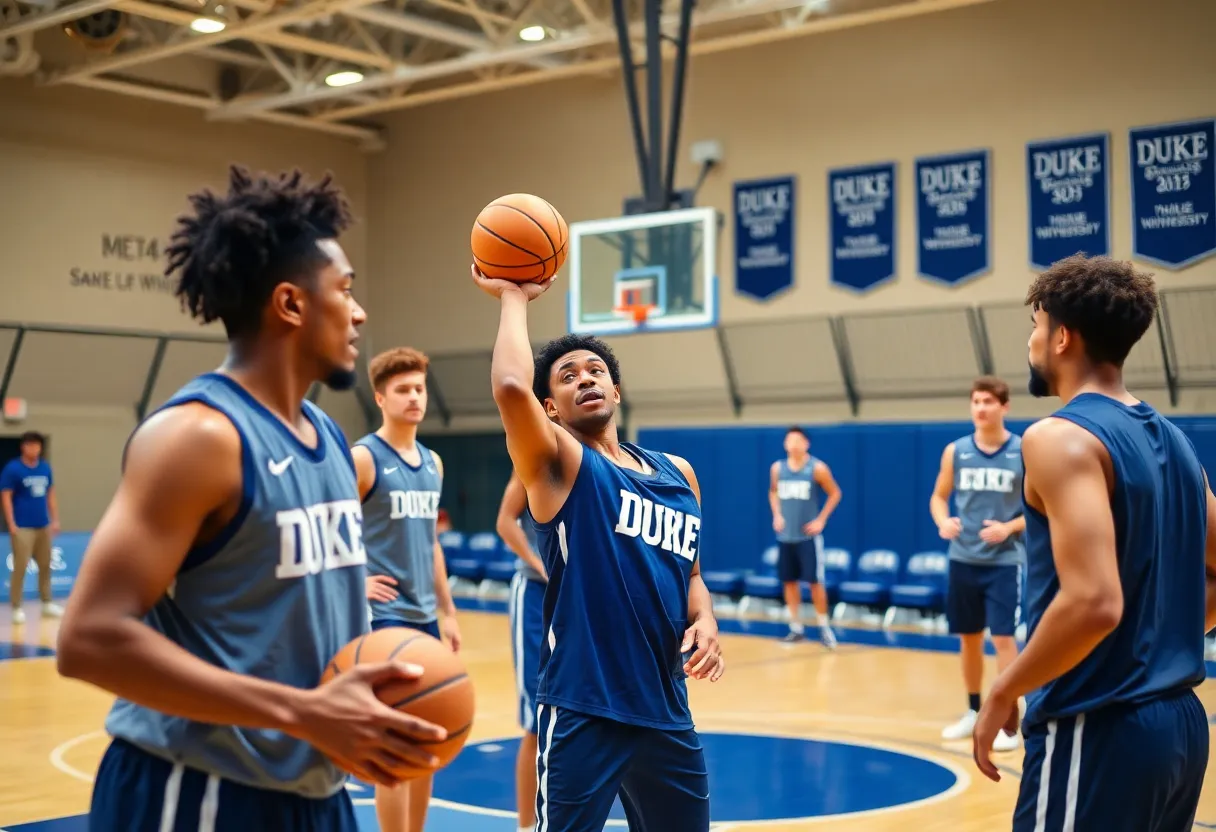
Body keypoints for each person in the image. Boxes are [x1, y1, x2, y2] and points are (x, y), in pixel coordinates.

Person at [54, 166, 447, 832]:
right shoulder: (197, 438)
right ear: (291, 305)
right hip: (198, 788)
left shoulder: (325, 436)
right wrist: (301, 710)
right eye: (345, 292)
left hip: (314, 784)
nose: (359, 312)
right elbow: (88, 639)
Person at [473, 265, 724, 832]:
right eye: (566, 376)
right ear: (551, 409)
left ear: (616, 389)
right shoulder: (559, 465)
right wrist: (513, 296)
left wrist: (706, 618)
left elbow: (691, 575)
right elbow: (512, 389)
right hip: (585, 707)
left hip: (666, 709)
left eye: (596, 370)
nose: (584, 378)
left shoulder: (678, 474)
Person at [971, 254, 1214, 831]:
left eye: (1035, 325)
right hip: (1181, 727)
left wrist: (1004, 688)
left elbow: (1094, 601)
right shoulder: (1177, 442)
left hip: (1096, 725)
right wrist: (1155, 637)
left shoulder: (1057, 437)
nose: (1031, 341)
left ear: (1061, 336)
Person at [352, 345, 461, 832]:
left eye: (419, 388)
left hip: (425, 617)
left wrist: (449, 611)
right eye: (403, 390)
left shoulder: (433, 462)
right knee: (395, 742)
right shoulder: (362, 458)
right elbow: (328, 528)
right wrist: (355, 580)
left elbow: (431, 545)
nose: (415, 397)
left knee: (430, 740)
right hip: (385, 618)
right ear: (380, 397)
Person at [930, 376, 1024, 753]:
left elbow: (1039, 509)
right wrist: (943, 521)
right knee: (968, 638)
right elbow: (938, 497)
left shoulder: (1024, 450)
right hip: (963, 559)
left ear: (1004, 407)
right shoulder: (956, 451)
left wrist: (1009, 527)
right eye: (975, 401)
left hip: (1004, 562)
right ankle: (973, 710)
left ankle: (1009, 721)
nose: (981, 408)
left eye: (988, 401)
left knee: (1003, 638)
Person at [495, 471, 548, 832]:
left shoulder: (596, 458)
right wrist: (538, 563)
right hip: (534, 593)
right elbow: (504, 521)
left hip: (576, 595)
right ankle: (526, 827)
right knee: (536, 718)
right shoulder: (535, 456)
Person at [768, 426, 840, 647]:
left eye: (798, 440)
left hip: (807, 538)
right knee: (789, 582)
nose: (793, 444)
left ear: (806, 444)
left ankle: (824, 627)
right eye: (790, 440)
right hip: (785, 537)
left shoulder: (817, 468)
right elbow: (773, 491)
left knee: (815, 582)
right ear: (785, 444)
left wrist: (821, 520)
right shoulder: (778, 468)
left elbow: (835, 492)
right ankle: (796, 628)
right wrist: (777, 514)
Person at [1, 430, 62, 624]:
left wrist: (55, 519)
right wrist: (11, 523)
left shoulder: (45, 468)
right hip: (22, 527)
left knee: (45, 565)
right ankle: (17, 607)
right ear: (23, 447)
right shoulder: (13, 469)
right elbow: (6, 496)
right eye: (30, 445)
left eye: (38, 445)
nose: (34, 449)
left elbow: (50, 494)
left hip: (42, 525)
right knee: (21, 566)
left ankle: (46, 603)